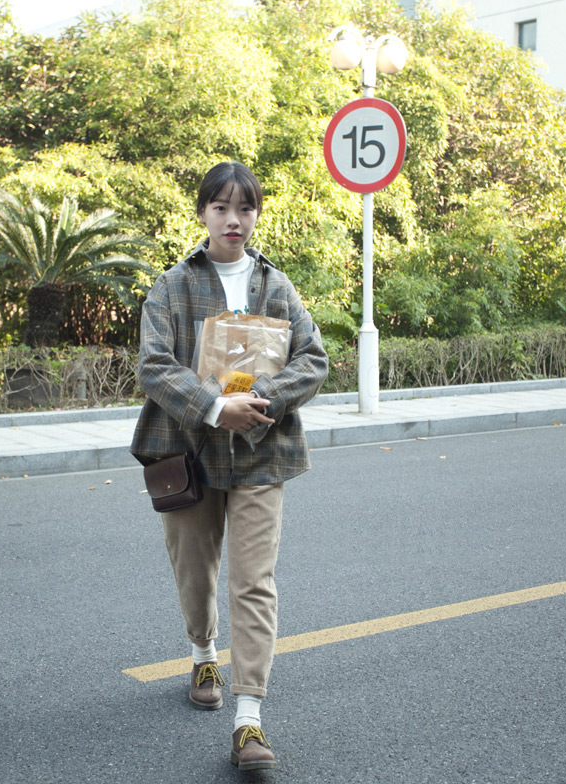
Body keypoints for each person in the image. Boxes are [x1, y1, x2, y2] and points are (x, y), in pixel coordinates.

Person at [130, 161, 328, 771]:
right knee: (195, 570)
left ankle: (249, 719)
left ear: (256, 215)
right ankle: (202, 653)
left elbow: (313, 358)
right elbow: (154, 364)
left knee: (253, 580)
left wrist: (259, 398)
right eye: (221, 207)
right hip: (189, 450)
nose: (233, 220)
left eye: (245, 208)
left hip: (262, 453)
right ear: (203, 213)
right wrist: (217, 407)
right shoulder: (172, 286)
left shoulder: (277, 286)